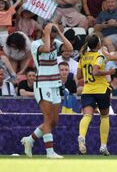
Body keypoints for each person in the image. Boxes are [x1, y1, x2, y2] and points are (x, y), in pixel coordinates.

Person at [21, 23, 73, 159]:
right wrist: (47, 33)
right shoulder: (36, 44)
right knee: (47, 118)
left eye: (54, 32)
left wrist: (60, 34)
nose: (53, 33)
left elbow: (70, 48)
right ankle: (50, 152)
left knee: (54, 121)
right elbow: (45, 49)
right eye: (52, 31)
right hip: (42, 84)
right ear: (44, 31)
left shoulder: (56, 42)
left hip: (55, 83)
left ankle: (30, 140)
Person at [77, 34, 115, 156]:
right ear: (98, 45)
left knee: (87, 115)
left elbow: (78, 77)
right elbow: (95, 71)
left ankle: (82, 136)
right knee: (104, 117)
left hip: (87, 90)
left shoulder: (83, 57)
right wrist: (109, 72)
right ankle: (103, 146)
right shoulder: (99, 56)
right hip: (101, 90)